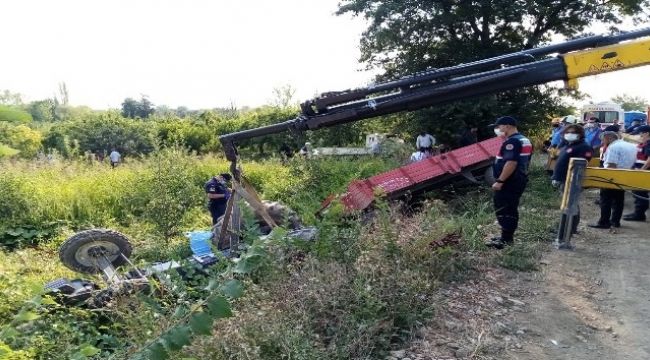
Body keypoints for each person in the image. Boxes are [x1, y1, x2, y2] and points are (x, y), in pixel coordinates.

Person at [486, 116, 532, 249]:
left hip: (509, 182)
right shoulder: (523, 139)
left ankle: (506, 240)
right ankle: (505, 236)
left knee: (504, 208)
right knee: (510, 207)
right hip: (517, 179)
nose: (498, 130)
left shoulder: (512, 142)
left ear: (507, 126)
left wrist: (500, 181)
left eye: (499, 127)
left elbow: (511, 162)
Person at [588, 129, 637, 229]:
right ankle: (615, 221)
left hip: (612, 176)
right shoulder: (630, 145)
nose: (602, 142)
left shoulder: (613, 147)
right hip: (626, 175)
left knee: (605, 200)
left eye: (603, 140)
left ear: (609, 138)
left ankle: (604, 222)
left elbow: (611, 164)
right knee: (619, 200)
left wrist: (606, 179)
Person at [551, 124, 593, 234]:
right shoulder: (569, 145)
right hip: (564, 178)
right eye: (567, 132)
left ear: (580, 134)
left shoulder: (583, 147)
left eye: (573, 132)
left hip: (572, 180)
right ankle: (566, 226)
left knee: (571, 204)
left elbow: (581, 164)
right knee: (566, 203)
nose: (569, 134)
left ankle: (570, 228)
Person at [623, 125, 650, 221]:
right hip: (639, 170)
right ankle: (638, 213)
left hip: (643, 172)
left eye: (640, 134)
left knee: (641, 193)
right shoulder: (645, 143)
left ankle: (639, 214)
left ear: (646, 133)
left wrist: (642, 170)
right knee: (637, 192)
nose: (639, 136)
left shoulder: (648, 144)